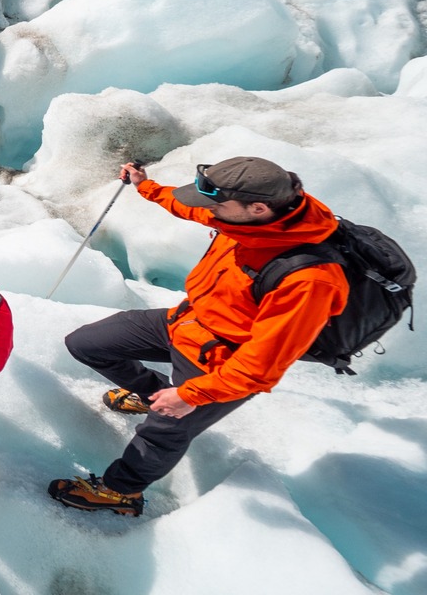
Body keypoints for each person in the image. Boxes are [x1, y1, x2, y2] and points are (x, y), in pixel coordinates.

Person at [48, 157, 346, 516]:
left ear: (258, 208)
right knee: (86, 344)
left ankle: (121, 493)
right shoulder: (249, 218)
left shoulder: (309, 280)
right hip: (187, 322)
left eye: (216, 205)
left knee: (165, 430)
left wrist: (189, 396)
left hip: (225, 361)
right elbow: (192, 208)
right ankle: (154, 395)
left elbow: (261, 368)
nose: (210, 212)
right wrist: (146, 186)